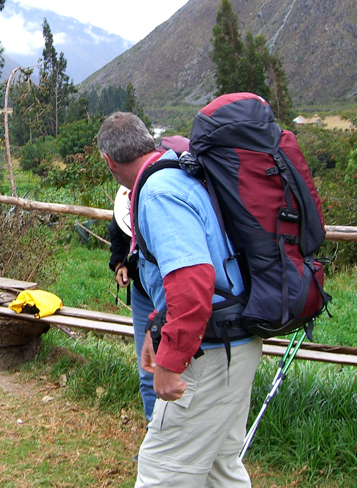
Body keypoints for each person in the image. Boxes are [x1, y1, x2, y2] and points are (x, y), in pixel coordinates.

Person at [97, 112, 261, 487]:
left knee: (161, 473)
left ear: (109, 161)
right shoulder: (181, 170)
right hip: (236, 343)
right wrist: (159, 325)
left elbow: (192, 283)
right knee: (221, 468)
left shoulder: (158, 193)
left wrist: (172, 361)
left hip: (209, 352)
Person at [108, 185, 156, 422]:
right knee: (147, 371)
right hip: (143, 292)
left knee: (177, 370)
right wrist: (119, 264)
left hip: (173, 290)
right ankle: (154, 437)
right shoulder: (127, 193)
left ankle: (175, 444)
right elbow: (117, 231)